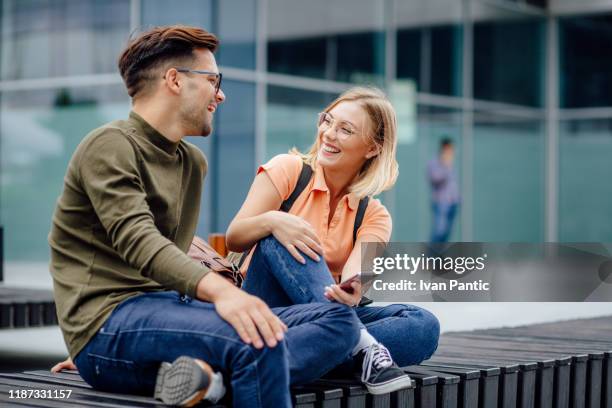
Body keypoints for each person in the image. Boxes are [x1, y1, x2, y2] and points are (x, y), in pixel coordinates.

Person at [48, 25, 361, 408]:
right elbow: (140, 242)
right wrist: (223, 294)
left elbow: (173, 256)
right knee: (257, 339)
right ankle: (206, 370)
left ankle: (207, 380)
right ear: (175, 80)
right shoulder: (110, 145)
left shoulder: (191, 162)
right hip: (109, 322)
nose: (221, 94)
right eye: (214, 80)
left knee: (341, 322)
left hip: (168, 314)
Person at [225, 87, 440, 394]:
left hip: (325, 316)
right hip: (265, 308)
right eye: (328, 120)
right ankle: (361, 347)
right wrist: (274, 220)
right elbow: (234, 237)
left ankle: (306, 355)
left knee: (423, 324)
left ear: (372, 148)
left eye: (345, 130)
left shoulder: (374, 214)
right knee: (283, 235)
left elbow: (357, 276)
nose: (328, 134)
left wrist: (352, 289)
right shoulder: (288, 169)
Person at [427, 137, 460, 243]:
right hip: (441, 202)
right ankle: (430, 257)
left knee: (447, 233)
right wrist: (446, 166)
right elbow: (435, 179)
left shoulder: (451, 164)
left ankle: (440, 257)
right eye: (450, 149)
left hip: (453, 202)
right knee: (439, 232)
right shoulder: (434, 163)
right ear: (444, 148)